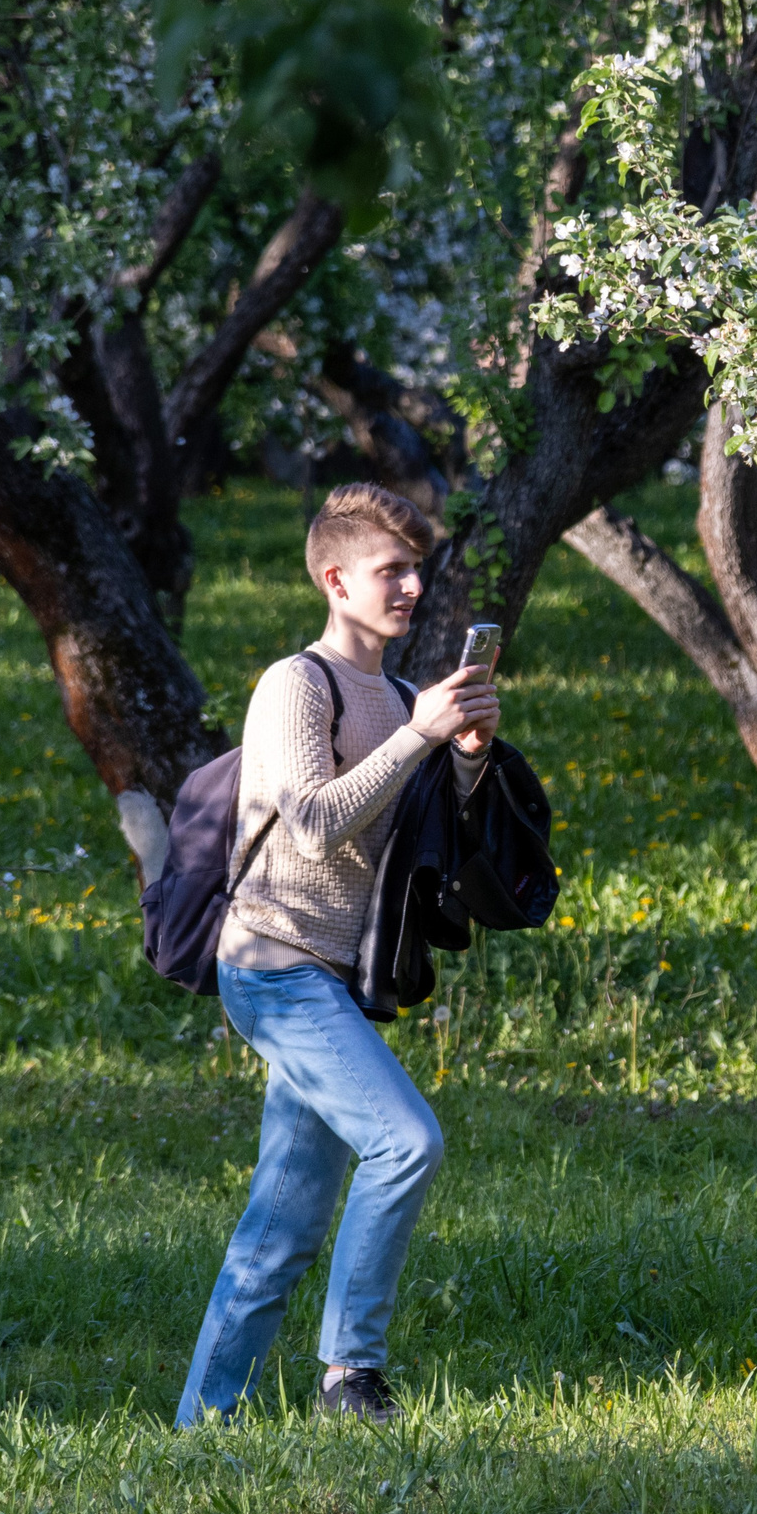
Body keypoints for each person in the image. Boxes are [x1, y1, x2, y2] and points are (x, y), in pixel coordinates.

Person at [176, 484, 500, 1427]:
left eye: (414, 569)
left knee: (281, 1226)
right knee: (406, 1140)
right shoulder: (296, 683)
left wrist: (469, 752)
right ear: (335, 578)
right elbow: (316, 824)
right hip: (273, 966)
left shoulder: (399, 693)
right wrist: (417, 735)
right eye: (389, 570)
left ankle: (204, 1420)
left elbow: (426, 832)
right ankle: (349, 1373)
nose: (409, 586)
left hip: (337, 976)